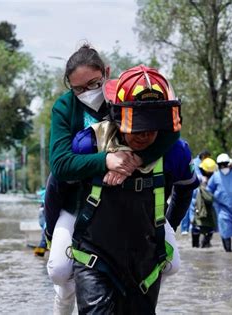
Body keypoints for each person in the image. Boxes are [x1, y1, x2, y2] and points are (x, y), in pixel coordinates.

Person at [45, 44, 180, 314]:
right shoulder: (64, 108)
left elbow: (170, 131)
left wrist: (136, 160)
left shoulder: (126, 94)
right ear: (69, 87)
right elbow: (60, 164)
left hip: (132, 202)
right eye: (79, 89)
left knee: (172, 263)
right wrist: (106, 161)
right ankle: (68, 294)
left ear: (106, 73)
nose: (88, 93)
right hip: (81, 204)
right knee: (60, 269)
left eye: (94, 83)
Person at [71, 65, 197, 314]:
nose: (145, 134)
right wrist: (53, 235)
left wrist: (165, 226)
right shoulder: (88, 145)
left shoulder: (175, 153)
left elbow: (185, 191)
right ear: (117, 116)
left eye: (153, 125)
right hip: (95, 258)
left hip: (145, 263)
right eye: (137, 125)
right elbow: (58, 186)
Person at [180, 150, 211, 235]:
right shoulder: (195, 162)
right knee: (188, 208)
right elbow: (196, 175)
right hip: (191, 188)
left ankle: (189, 227)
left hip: (196, 188)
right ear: (204, 156)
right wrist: (203, 178)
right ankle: (186, 228)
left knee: (192, 207)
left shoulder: (201, 162)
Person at [190, 157, 217, 248]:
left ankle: (196, 246)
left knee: (196, 229)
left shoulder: (199, 180)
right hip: (210, 213)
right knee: (209, 230)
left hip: (199, 211)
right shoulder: (216, 180)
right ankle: (205, 245)